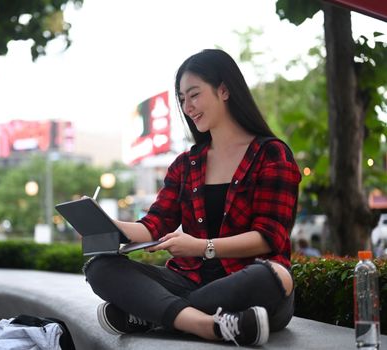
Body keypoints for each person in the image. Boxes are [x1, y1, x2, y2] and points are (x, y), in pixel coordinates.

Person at [84, 49, 301, 346]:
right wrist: (105, 223)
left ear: (224, 89)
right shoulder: (187, 164)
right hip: (192, 281)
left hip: (246, 285)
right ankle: (208, 325)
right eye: (182, 99)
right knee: (100, 267)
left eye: (194, 95)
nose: (188, 107)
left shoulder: (271, 154)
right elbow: (153, 226)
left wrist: (202, 247)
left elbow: (269, 237)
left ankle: (153, 314)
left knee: (272, 276)